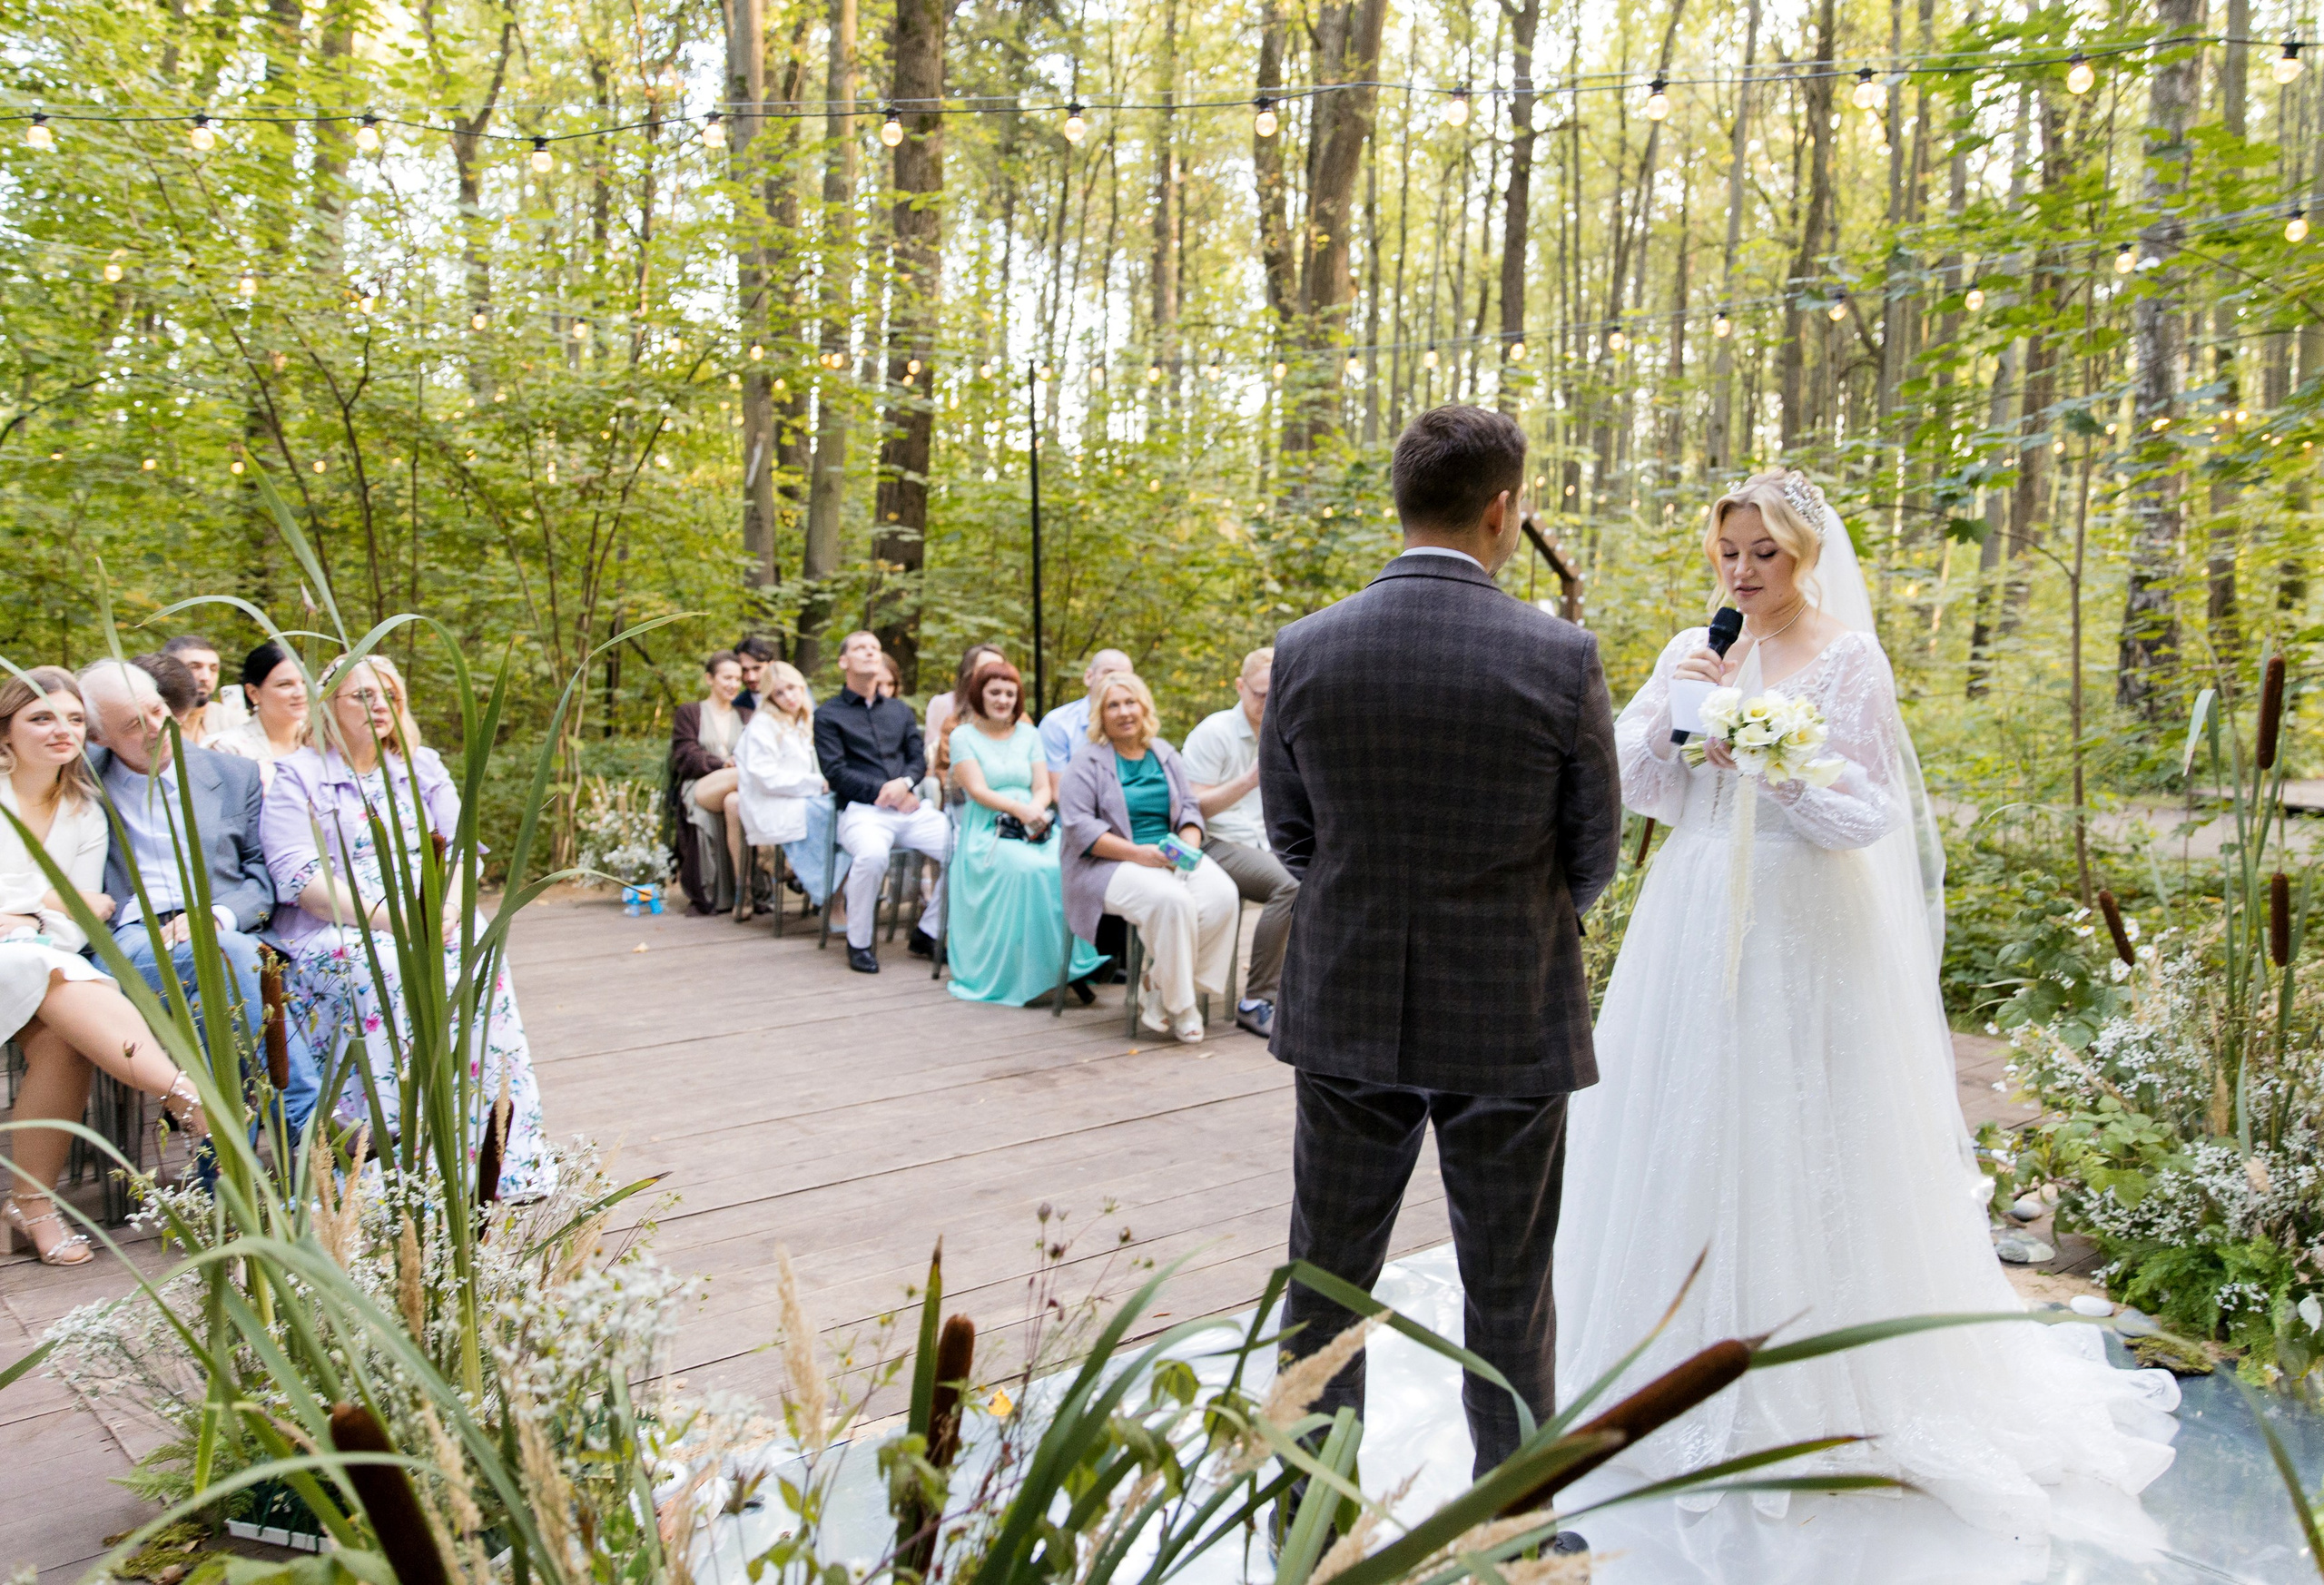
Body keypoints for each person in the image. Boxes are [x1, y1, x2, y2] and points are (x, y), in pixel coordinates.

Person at [1558, 469, 2178, 1539]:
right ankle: (1656, 1347)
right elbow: (1634, 786)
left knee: (1797, 1125)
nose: (1744, 573)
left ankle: (1812, 1378)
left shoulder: (1848, 656)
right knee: (1685, 1116)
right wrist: (1681, 721)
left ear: (1803, 554)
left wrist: (1774, 764)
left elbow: (1870, 815)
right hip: (1694, 906)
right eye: (1730, 554)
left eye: (1765, 554)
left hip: (1801, 919)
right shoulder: (1691, 647)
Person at [1258, 405, 1620, 1504]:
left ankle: (1307, 1529)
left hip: (1347, 1002)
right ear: (1502, 510)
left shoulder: (1305, 649)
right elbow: (1590, 855)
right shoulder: (1560, 659)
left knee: (1325, 1284)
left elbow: (1291, 839)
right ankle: (1513, 1535)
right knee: (1510, 1293)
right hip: (1507, 1013)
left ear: (1399, 504)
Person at [261, 656, 551, 1199]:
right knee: (389, 966)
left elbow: (464, 847)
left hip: (432, 908)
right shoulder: (299, 774)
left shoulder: (421, 766)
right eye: (362, 696)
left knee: (479, 953)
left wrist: (447, 906)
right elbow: (298, 876)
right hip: (342, 919)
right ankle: (387, 1165)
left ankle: (494, 1160)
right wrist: (393, 918)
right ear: (328, 707)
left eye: (390, 695)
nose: (380, 706)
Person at [0, 667, 209, 1266]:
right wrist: (45, 900)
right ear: (7, 732)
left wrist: (33, 913)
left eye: (71, 718)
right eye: (41, 717)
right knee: (53, 973)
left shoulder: (83, 811)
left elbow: (84, 917)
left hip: (38, 960)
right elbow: (69, 904)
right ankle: (183, 1093)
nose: (61, 729)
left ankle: (29, 1205)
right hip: (29, 962)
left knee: (65, 1038)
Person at [80, 658, 318, 1135]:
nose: (155, 727)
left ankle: (222, 1178)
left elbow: (261, 879)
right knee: (230, 960)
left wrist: (218, 916)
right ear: (98, 736)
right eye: (132, 724)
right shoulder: (81, 783)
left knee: (222, 963)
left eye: (156, 709)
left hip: (221, 932)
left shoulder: (234, 774)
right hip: (128, 942)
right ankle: (308, 1123)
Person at [1059, 672, 1236, 1044]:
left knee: (1223, 895)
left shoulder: (1164, 753)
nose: (1124, 712)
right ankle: (1183, 1005)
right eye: (1113, 705)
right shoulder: (1086, 762)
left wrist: (1187, 845)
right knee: (1172, 901)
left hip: (1169, 853)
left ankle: (1158, 985)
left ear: (1143, 707)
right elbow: (1078, 828)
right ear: (1100, 715)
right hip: (1109, 862)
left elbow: (1189, 808)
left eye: (1130, 702)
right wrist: (1138, 853)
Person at [944, 659, 1106, 1006]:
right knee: (1029, 870)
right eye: (995, 693)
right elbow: (978, 791)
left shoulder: (1029, 735)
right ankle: (1023, 969)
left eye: (1009, 693)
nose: (1002, 700)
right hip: (990, 830)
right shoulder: (963, 736)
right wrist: (1020, 810)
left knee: (1074, 860)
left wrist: (1037, 811)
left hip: (1036, 822)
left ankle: (1065, 962)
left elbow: (1044, 787)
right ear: (979, 695)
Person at [1180, 647, 1297, 1039]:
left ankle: (1299, 994)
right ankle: (1256, 1001)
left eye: (1275, 693)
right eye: (1260, 693)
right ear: (1239, 686)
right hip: (1216, 840)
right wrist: (1249, 779)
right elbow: (1193, 805)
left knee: (1327, 875)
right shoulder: (1214, 732)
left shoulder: (1288, 727)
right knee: (1290, 885)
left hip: (1270, 839)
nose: (1268, 702)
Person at [813, 631, 947, 974]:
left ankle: (928, 932)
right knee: (872, 856)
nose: (870, 653)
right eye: (860, 648)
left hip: (910, 808)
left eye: (875, 647)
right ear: (844, 662)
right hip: (861, 812)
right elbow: (836, 772)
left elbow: (917, 760)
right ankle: (859, 943)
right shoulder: (828, 715)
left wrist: (904, 785)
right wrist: (887, 793)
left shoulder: (900, 711)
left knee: (966, 846)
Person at [735, 661, 843, 910]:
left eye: (792, 688)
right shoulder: (762, 725)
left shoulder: (807, 720)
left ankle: (842, 888)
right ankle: (831, 895)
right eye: (779, 693)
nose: (788, 697)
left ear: (802, 686)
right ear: (769, 697)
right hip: (772, 803)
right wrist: (818, 784)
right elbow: (765, 778)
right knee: (831, 814)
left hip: (802, 796)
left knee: (850, 809)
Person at [666, 652, 754, 917]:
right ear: (709, 679)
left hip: (738, 788)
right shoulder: (690, 713)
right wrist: (722, 764)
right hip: (702, 785)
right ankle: (711, 891)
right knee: (751, 776)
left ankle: (745, 890)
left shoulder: (747, 715)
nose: (733, 684)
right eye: (727, 678)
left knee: (734, 804)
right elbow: (684, 755)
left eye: (737, 679)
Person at [212, 640, 310, 792]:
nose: (300, 693)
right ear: (254, 693)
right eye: (285, 684)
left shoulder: (324, 741)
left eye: (304, 682)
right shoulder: (228, 750)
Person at [1039, 649, 1132, 777]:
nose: (1114, 683)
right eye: (1108, 674)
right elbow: (1059, 791)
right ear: (1089, 677)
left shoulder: (1134, 724)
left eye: (1124, 678)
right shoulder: (1057, 724)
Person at [926, 643, 1005, 775]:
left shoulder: (1016, 716)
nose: (993, 674)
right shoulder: (945, 707)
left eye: (999, 668)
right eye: (985, 669)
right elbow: (934, 761)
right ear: (969, 672)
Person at [163, 633, 249, 746]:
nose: (206, 677)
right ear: (167, 670)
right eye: (194, 667)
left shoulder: (233, 721)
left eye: (213, 669)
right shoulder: (150, 720)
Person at [733, 635, 777, 711]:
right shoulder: (737, 706)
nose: (751, 678)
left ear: (771, 665)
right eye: (744, 670)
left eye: (757, 668)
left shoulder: (793, 695)